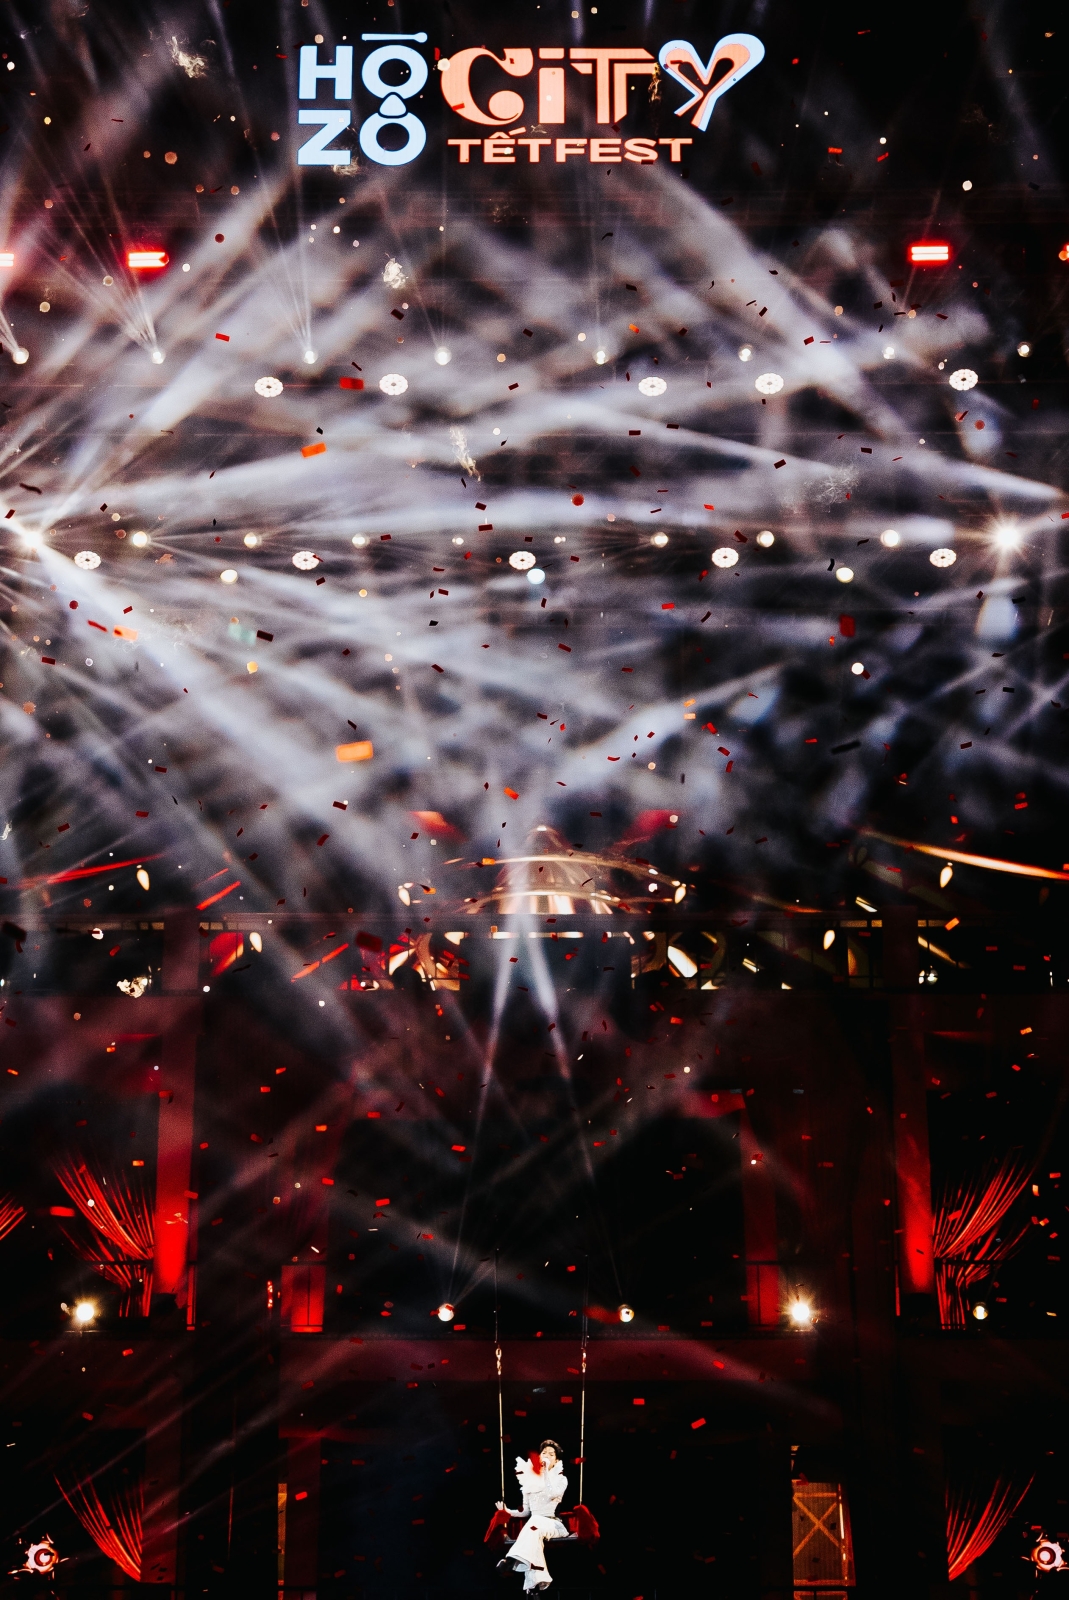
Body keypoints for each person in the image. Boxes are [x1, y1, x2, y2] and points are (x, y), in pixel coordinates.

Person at [495, 1440, 570, 1591]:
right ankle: (535, 1585)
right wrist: (507, 1511)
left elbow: (552, 1493)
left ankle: (510, 1560)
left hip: (553, 1524)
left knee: (533, 1524)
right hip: (535, 1526)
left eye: (551, 1454)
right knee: (533, 1536)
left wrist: (546, 1472)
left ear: (556, 1461)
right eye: (544, 1453)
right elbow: (525, 1512)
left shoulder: (561, 1479)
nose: (547, 1456)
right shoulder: (529, 1483)